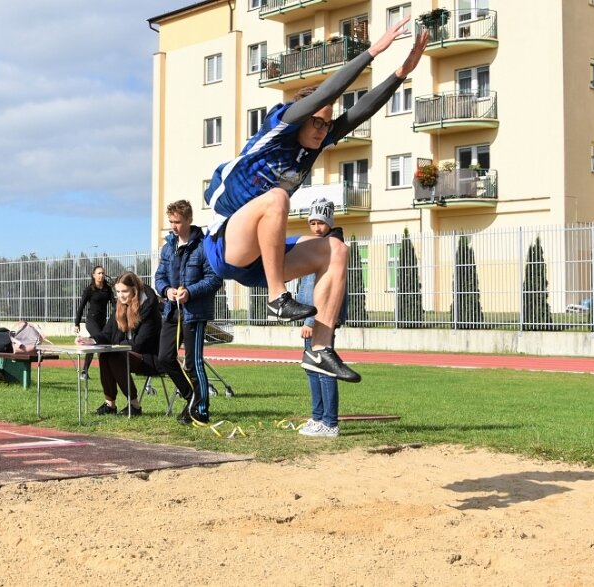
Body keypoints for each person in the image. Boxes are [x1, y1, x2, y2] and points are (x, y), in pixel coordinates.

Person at [203, 18, 428, 383]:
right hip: (228, 245)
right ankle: (278, 297)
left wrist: (402, 72)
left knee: (335, 248)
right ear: (302, 119)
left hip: (265, 255)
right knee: (276, 198)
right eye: (317, 123)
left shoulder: (315, 144)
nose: (323, 130)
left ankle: (320, 349)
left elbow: (359, 112)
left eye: (326, 125)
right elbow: (326, 94)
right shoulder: (280, 129)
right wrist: (373, 51)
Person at [155, 200, 222, 425]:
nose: (173, 226)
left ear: (189, 220)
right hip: (171, 312)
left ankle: (201, 409)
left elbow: (214, 279)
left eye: (178, 222)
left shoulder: (205, 246)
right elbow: (159, 277)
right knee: (164, 358)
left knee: (194, 363)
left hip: (194, 313)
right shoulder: (168, 248)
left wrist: (190, 293)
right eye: (171, 221)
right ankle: (191, 398)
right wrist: (167, 290)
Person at [296, 199, 348, 438]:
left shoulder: (330, 247)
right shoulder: (321, 244)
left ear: (329, 222)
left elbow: (320, 288)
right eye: (312, 222)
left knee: (323, 369)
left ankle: (329, 422)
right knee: (311, 367)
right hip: (315, 317)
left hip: (320, 319)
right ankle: (318, 417)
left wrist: (308, 321)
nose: (316, 227)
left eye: (320, 222)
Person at [80, 271, 161, 416]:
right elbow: (107, 334)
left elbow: (141, 343)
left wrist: (117, 346)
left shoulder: (149, 307)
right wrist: (91, 340)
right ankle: (110, 404)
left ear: (134, 290)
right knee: (105, 354)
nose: (120, 295)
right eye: (117, 291)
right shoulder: (120, 306)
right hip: (127, 353)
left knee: (115, 355)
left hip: (150, 357)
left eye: (124, 291)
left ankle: (135, 406)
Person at [73, 265, 114, 381]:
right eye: (99, 273)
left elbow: (114, 304)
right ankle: (94, 372)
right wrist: (77, 324)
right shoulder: (89, 289)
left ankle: (85, 372)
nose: (101, 275)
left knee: (96, 343)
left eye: (103, 273)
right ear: (94, 275)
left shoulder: (108, 289)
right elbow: (81, 307)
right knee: (98, 341)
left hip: (102, 321)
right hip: (91, 321)